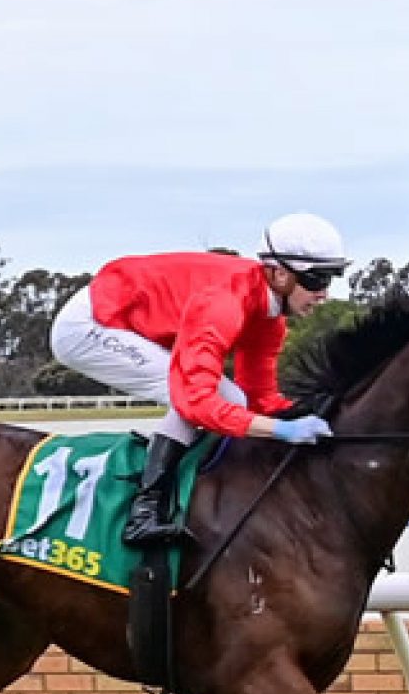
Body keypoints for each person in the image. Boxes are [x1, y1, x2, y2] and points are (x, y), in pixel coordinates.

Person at [50, 212, 346, 545]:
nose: (324, 294)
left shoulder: (269, 319)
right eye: (316, 280)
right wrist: (283, 430)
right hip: (92, 325)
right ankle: (144, 511)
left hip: (130, 318)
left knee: (237, 399)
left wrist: (312, 414)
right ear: (279, 274)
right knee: (219, 397)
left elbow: (261, 397)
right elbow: (198, 403)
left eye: (330, 279)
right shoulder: (224, 304)